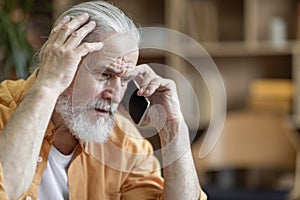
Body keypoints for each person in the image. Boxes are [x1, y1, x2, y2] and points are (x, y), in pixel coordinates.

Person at [0, 1, 206, 199]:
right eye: (105, 75)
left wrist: (173, 128)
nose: (116, 95)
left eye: (125, 80)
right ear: (61, 61)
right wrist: (47, 86)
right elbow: (6, 190)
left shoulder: (125, 143)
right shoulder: (3, 110)